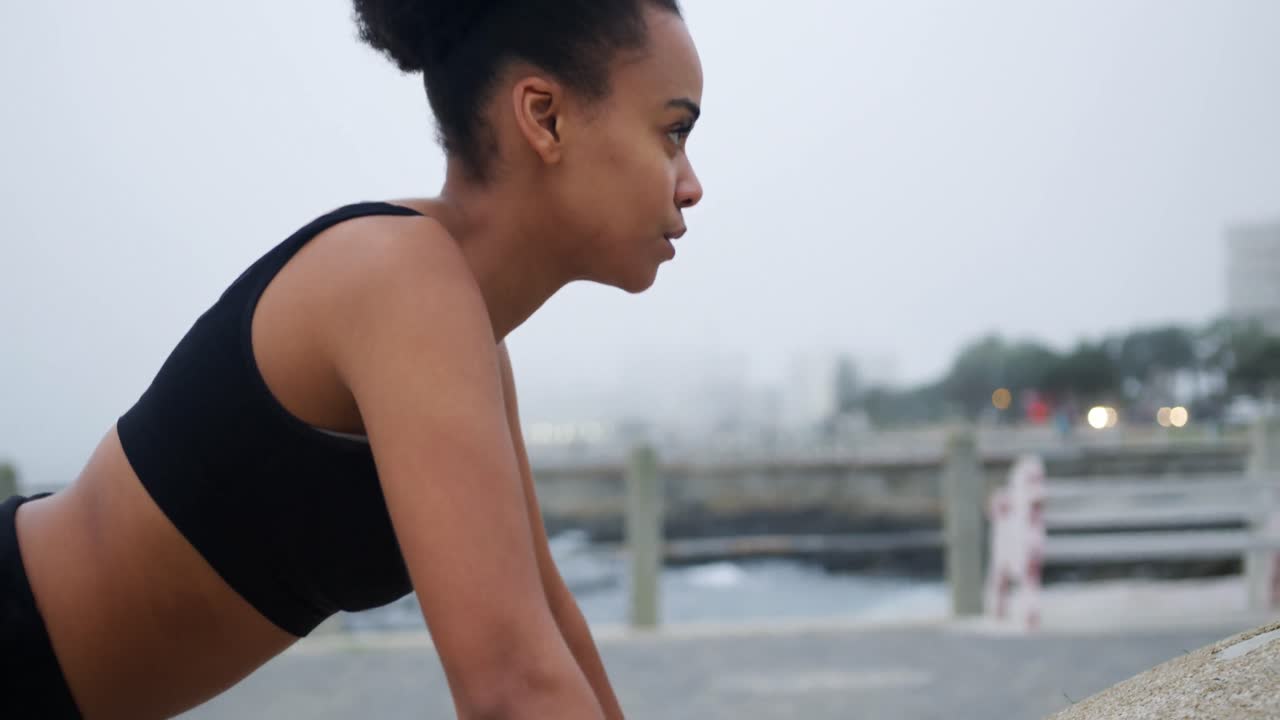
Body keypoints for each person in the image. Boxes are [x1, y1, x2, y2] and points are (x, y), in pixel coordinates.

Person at [1, 0, 703, 716]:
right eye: (673, 133)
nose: (692, 184)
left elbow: (550, 630)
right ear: (545, 117)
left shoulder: (470, 334)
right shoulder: (400, 280)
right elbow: (512, 687)